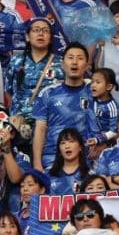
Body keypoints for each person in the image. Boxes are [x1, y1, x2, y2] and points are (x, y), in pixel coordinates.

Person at [31, 43, 101, 172]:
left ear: (86, 65)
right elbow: (40, 130)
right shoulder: (48, 93)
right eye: (70, 57)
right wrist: (37, 163)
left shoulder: (95, 92)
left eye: (80, 58)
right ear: (63, 64)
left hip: (86, 162)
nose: (74, 62)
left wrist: (103, 143)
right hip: (52, 160)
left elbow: (112, 121)